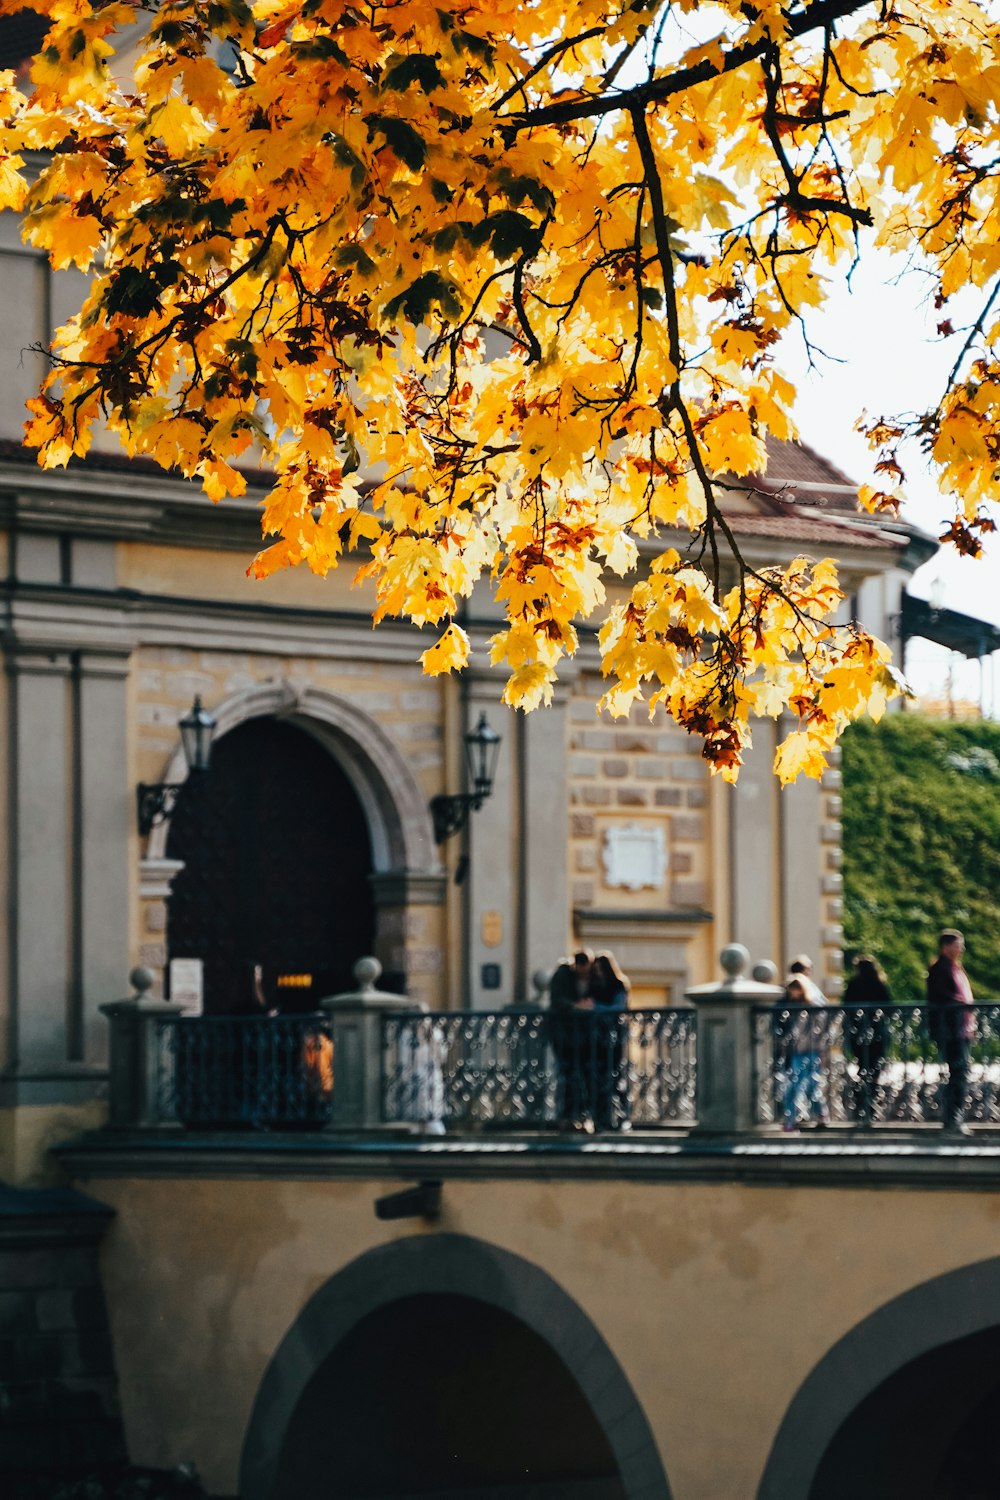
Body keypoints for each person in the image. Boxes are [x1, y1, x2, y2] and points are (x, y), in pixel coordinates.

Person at [926, 928, 975, 1135]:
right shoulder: (940, 969)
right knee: (958, 1073)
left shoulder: (954, 967)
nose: (961, 948)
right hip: (951, 1031)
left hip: (960, 1029)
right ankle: (952, 1119)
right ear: (946, 947)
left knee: (960, 1073)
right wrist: (965, 1004)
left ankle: (954, 1118)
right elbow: (942, 996)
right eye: (957, 944)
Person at [548, 950, 595, 1128]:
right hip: (564, 1035)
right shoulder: (563, 975)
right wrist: (576, 1006)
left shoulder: (593, 976)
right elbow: (557, 1001)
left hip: (584, 1036)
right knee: (567, 1075)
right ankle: (567, 1115)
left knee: (585, 1076)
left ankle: (583, 1115)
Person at [842, 955, 891, 1125]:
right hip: (877, 1033)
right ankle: (871, 1107)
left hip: (857, 1034)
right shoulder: (879, 984)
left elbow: (846, 1007)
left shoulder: (854, 984)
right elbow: (889, 1007)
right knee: (874, 1070)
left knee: (862, 1068)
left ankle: (860, 1106)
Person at [780, 974, 828, 1132]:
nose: (793, 993)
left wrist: (822, 1051)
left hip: (811, 1050)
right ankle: (790, 1119)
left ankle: (820, 1114)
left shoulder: (812, 1006)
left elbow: (820, 1031)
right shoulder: (789, 1005)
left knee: (812, 1085)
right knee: (792, 1085)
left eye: (796, 990)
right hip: (798, 1050)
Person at [590, 951, 631, 1131]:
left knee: (615, 1077)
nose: (598, 973)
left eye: (600, 969)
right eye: (596, 970)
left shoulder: (618, 985)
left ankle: (621, 1118)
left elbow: (618, 1008)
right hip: (597, 1039)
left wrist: (593, 1007)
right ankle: (601, 1119)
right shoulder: (595, 986)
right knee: (598, 1079)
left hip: (614, 1038)